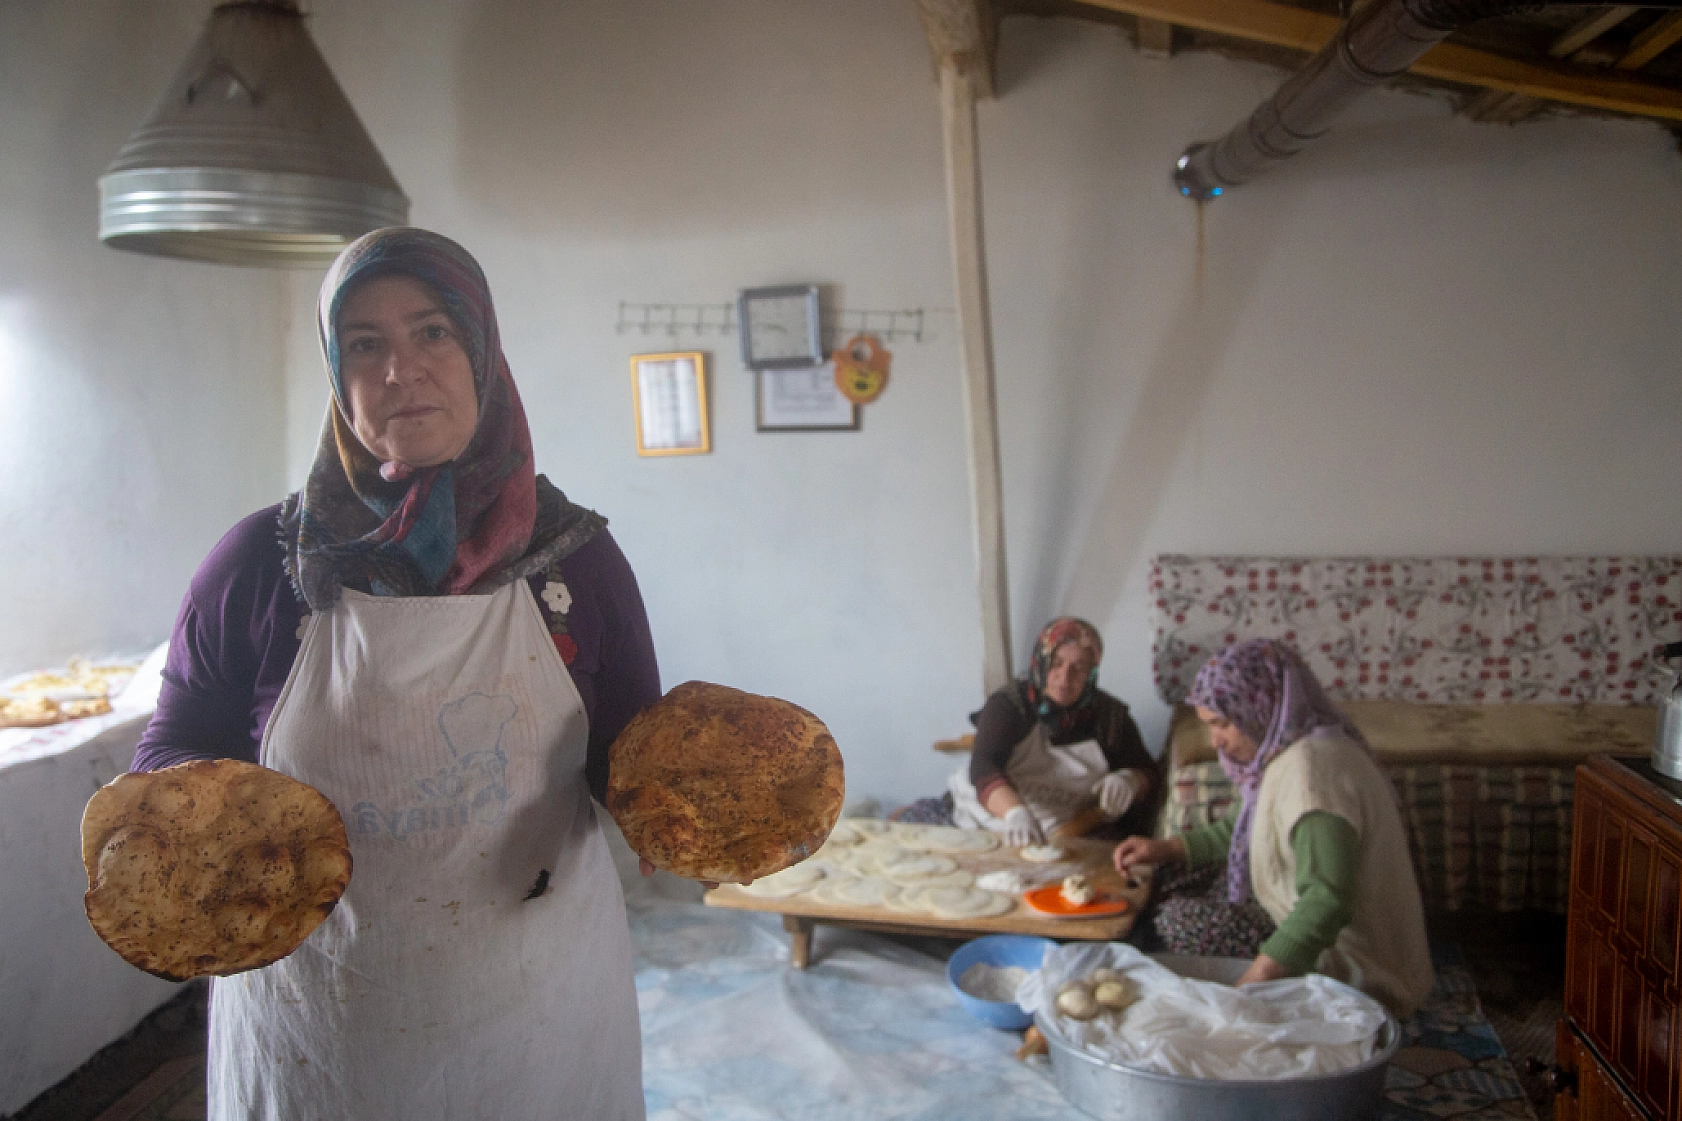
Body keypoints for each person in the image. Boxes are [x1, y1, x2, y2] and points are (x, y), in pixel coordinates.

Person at [131, 227, 663, 1121]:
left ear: (482, 352)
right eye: (365, 344)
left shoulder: (577, 561)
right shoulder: (259, 566)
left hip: (535, 1013)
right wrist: (180, 835)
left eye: (432, 333)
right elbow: (175, 742)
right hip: (322, 1023)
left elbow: (633, 749)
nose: (399, 369)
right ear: (337, 376)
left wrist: (689, 802)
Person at [1113, 638, 1434, 1016]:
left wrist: (1252, 984)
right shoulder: (1282, 752)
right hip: (1295, 908)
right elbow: (1242, 829)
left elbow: (1326, 903)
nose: (1216, 741)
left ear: (1258, 706)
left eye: (1223, 724)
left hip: (1354, 960)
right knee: (1164, 880)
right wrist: (1163, 849)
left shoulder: (1313, 778)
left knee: (1177, 924)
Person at [919, 617, 1161, 846]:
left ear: (1092, 673)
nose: (1064, 677)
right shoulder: (1009, 704)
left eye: (1079, 668)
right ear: (1040, 662)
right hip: (991, 816)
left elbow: (1148, 772)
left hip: (1069, 825)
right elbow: (983, 764)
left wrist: (1131, 780)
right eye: (1056, 664)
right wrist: (1014, 812)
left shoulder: (1111, 718)